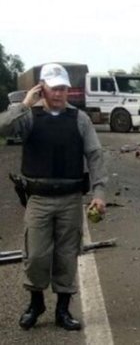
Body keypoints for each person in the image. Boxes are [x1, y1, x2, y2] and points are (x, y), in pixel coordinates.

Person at [0, 63, 107, 331]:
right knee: (35, 255)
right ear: (41, 88)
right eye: (53, 88)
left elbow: (95, 155)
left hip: (70, 199)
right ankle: (36, 304)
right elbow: (3, 128)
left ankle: (63, 309)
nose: (58, 94)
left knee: (66, 256)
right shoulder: (28, 117)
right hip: (38, 199)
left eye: (63, 88)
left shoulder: (79, 119)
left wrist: (99, 192)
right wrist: (24, 104)